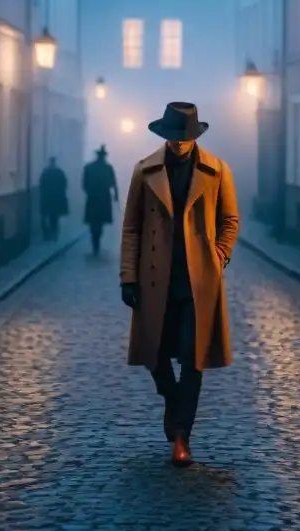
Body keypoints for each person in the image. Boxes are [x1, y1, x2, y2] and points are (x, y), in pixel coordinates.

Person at [119, 102, 240, 467]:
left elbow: (230, 219)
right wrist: (129, 276)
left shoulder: (217, 170)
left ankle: (181, 436)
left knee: (193, 357)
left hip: (197, 282)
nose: (179, 144)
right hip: (156, 278)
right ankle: (173, 401)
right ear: (164, 137)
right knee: (154, 354)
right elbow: (132, 227)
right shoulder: (144, 171)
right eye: (173, 138)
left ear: (194, 138)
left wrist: (218, 257)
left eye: (184, 138)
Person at [82, 145, 118, 255]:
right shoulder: (107, 168)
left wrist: (89, 191)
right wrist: (116, 195)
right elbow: (113, 183)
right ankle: (96, 243)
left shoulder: (89, 167)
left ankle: (95, 243)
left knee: (95, 222)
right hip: (102, 198)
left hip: (94, 198)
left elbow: (84, 184)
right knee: (99, 222)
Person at [38, 157, 68, 241]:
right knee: (54, 218)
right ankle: (54, 234)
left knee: (46, 217)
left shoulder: (46, 172)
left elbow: (41, 185)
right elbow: (64, 185)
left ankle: (48, 235)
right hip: (55, 199)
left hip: (47, 199)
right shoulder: (59, 173)